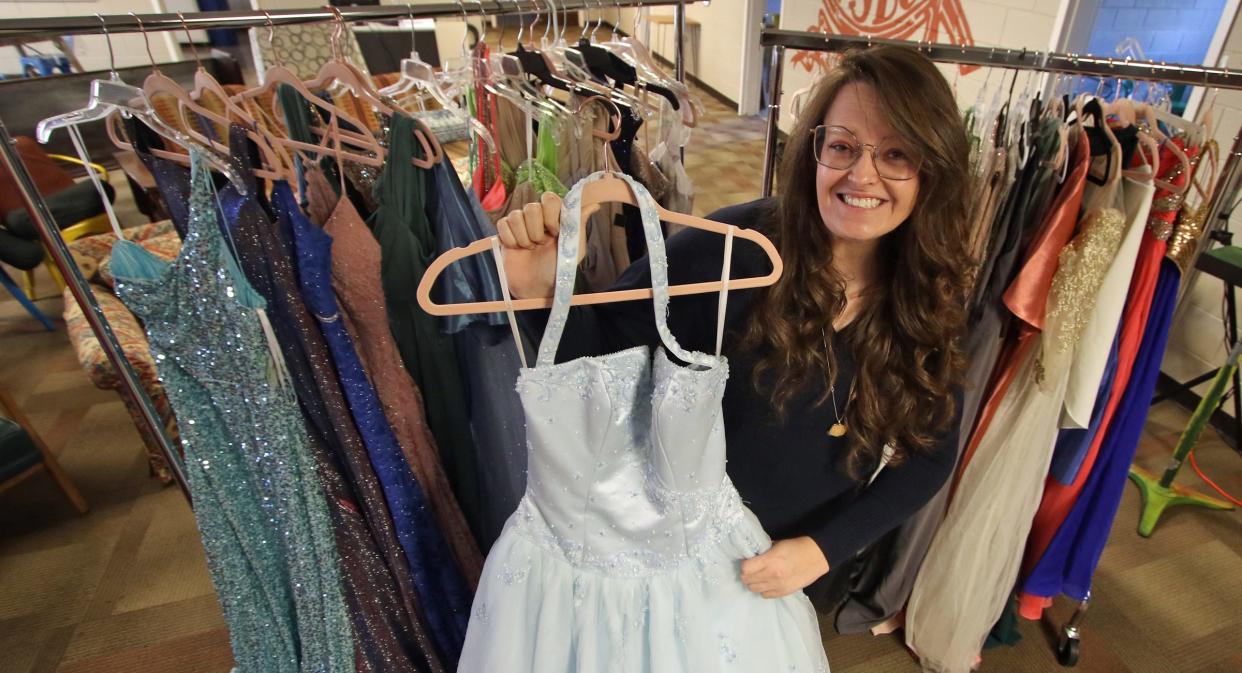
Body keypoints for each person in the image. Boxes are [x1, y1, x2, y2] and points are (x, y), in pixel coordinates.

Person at [494, 45, 973, 613]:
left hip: (794, 578)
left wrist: (823, 550)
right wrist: (543, 295)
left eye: (896, 155)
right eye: (842, 146)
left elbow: (931, 454)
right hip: (678, 571)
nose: (861, 174)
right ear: (814, 150)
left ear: (931, 172)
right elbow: (596, 359)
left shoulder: (924, 291)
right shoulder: (729, 251)